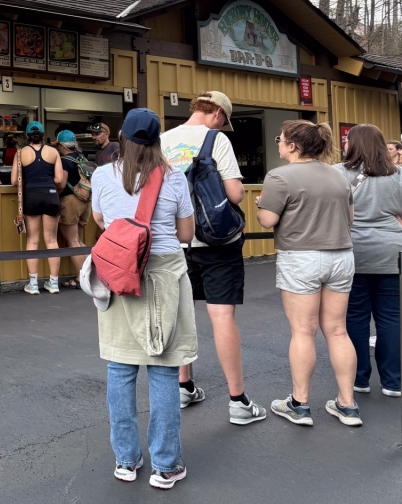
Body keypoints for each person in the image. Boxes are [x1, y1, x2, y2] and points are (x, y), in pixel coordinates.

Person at [91, 108, 196, 489]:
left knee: (120, 369)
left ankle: (126, 461)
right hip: (165, 274)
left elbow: (103, 222)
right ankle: (166, 465)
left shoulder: (103, 175)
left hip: (119, 274)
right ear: (157, 140)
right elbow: (186, 234)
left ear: (121, 136)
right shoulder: (174, 177)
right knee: (164, 369)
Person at [160, 90, 265, 425]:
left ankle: (183, 387)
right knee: (221, 317)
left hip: (175, 242)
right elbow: (234, 193)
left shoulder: (161, 141)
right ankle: (238, 402)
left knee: (180, 313)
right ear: (218, 113)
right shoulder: (216, 139)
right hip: (216, 241)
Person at [257, 120, 361, 427]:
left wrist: (263, 203)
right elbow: (350, 217)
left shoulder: (279, 176)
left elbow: (266, 220)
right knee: (338, 330)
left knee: (303, 331)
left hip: (301, 257)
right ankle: (347, 404)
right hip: (341, 255)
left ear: (292, 146)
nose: (278, 143)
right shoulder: (339, 176)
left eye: (280, 139)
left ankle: (299, 405)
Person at [337, 124, 402, 398]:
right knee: (390, 317)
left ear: (353, 144)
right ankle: (393, 382)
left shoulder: (338, 173)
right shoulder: (398, 175)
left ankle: (358, 378)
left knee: (356, 316)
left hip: (354, 250)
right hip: (392, 250)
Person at [11, 121, 65, 294]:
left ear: (26, 136)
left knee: (32, 240)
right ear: (42, 135)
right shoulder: (54, 152)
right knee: (51, 240)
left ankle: (33, 284)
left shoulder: (21, 153)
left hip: (31, 195)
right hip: (50, 194)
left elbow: (13, 181)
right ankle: (54, 283)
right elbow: (58, 179)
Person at [56, 129, 91, 283]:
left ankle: (81, 278)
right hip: (86, 201)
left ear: (62, 146)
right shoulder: (82, 157)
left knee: (72, 242)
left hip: (71, 201)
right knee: (78, 240)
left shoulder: (65, 161)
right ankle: (89, 275)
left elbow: (62, 184)